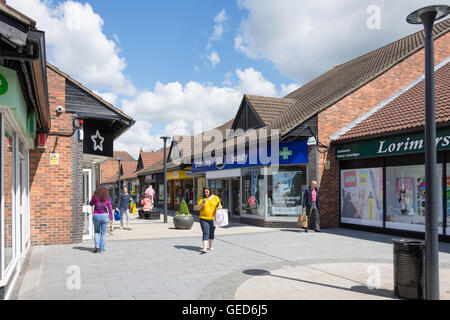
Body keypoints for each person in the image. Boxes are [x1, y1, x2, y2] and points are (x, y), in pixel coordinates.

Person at [196, 187, 222, 254]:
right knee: (205, 232)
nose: (206, 193)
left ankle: (210, 246)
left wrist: (219, 207)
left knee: (211, 232)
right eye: (205, 192)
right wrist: (202, 203)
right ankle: (204, 248)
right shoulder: (202, 199)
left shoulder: (216, 198)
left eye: (207, 192)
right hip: (203, 218)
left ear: (210, 192)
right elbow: (198, 208)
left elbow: (219, 206)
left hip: (213, 219)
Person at [89, 185, 113, 254]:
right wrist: (111, 217)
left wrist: (93, 197)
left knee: (96, 232)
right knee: (103, 234)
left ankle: (97, 245)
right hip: (104, 216)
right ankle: (101, 249)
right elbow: (110, 207)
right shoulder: (107, 197)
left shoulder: (95, 197)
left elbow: (91, 204)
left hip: (96, 215)